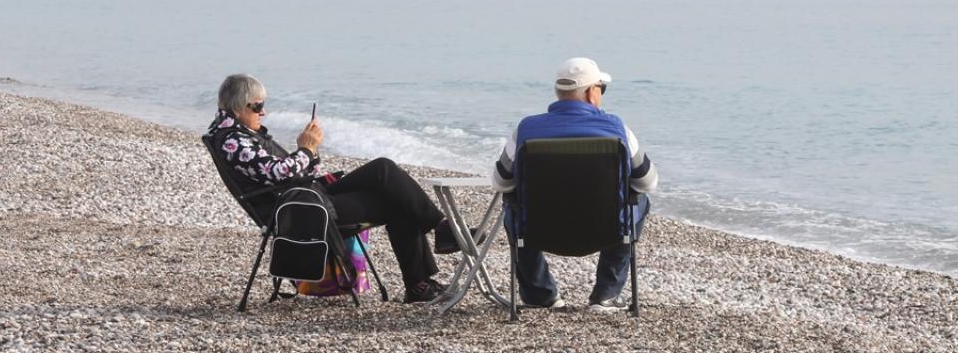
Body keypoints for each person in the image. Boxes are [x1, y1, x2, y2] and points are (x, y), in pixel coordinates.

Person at [207, 73, 461, 303]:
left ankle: (440, 233)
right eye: (258, 106)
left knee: (383, 169)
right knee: (397, 199)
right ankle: (423, 274)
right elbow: (278, 173)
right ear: (238, 107)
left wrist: (311, 152)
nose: (264, 112)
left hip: (309, 197)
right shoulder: (234, 142)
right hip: (302, 211)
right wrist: (306, 149)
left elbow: (295, 173)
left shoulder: (240, 134)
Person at [491, 57, 658, 312]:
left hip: (539, 230)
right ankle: (606, 294)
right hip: (606, 229)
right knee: (640, 200)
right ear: (591, 92)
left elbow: (501, 181)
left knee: (513, 205)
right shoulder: (617, 129)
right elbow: (647, 181)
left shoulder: (526, 129)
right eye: (601, 88)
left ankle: (539, 294)